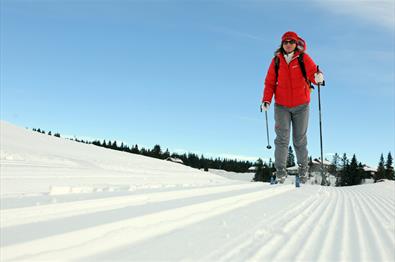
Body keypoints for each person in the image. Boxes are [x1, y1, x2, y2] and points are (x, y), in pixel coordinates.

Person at [261, 31, 324, 183]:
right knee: (282, 139)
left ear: (296, 44)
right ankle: (281, 172)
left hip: (301, 106)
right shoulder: (276, 60)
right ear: (282, 44)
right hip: (281, 105)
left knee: (299, 139)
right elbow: (269, 82)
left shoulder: (303, 58)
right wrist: (266, 100)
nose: (288, 44)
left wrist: (318, 77)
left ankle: (303, 171)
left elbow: (313, 74)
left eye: (291, 42)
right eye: (285, 42)